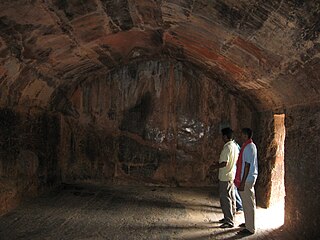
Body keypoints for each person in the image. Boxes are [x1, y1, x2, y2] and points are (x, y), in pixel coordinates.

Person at [210, 127, 239, 228]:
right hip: (231, 175)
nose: (222, 138)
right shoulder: (234, 146)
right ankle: (231, 216)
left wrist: (215, 166)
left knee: (225, 199)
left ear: (225, 136)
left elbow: (224, 163)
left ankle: (229, 221)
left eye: (223, 136)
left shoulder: (227, 147)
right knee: (231, 197)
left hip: (225, 176)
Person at [234, 128, 258, 235]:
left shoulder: (248, 147)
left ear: (246, 135)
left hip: (247, 179)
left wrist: (242, 182)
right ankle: (248, 223)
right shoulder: (250, 146)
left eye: (242, 134)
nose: (240, 136)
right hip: (250, 177)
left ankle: (250, 228)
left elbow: (247, 166)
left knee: (248, 204)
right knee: (248, 203)